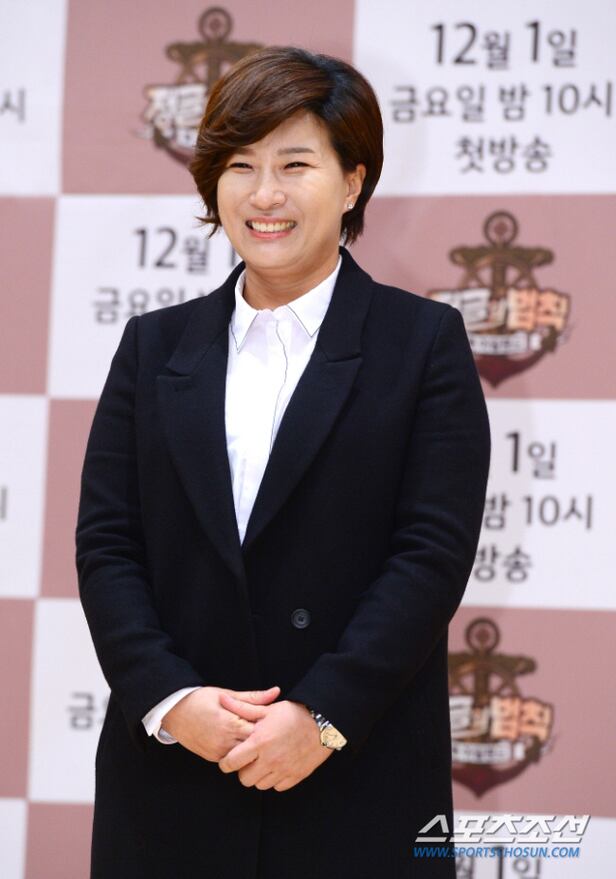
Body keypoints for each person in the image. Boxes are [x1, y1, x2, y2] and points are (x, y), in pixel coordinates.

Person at [76, 46, 490, 879]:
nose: (264, 195)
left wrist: (323, 717)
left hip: (355, 774)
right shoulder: (153, 347)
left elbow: (429, 557)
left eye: (295, 165)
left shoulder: (422, 344)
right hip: (174, 783)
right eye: (241, 166)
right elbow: (108, 544)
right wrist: (172, 699)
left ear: (352, 182)